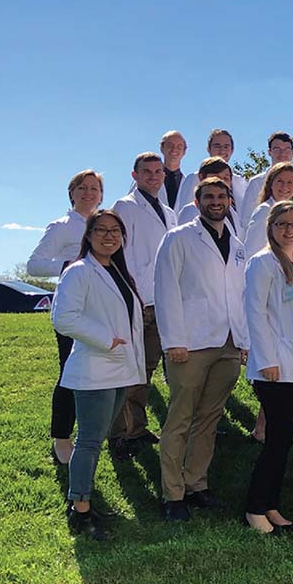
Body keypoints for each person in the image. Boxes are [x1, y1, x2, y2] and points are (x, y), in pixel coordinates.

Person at [154, 177, 249, 522]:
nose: (216, 201)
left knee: (209, 420)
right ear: (197, 202)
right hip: (190, 343)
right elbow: (165, 290)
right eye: (208, 196)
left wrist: (243, 341)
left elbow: (239, 295)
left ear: (228, 201)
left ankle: (197, 484)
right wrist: (173, 341)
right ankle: (172, 494)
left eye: (221, 196)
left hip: (227, 343)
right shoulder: (178, 238)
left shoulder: (237, 244)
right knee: (180, 419)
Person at [51, 210, 145, 539]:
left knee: (96, 439)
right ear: (88, 236)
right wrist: (107, 340)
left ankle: (84, 500)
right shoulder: (79, 272)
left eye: (115, 231)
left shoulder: (117, 270)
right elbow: (64, 318)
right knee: (89, 442)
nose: (109, 236)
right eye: (101, 230)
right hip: (94, 368)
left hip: (117, 369)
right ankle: (80, 510)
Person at [243, 201, 293, 534]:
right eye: (282, 224)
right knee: (276, 440)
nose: (289, 230)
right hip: (275, 368)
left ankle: (271, 504)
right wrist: (268, 360)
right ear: (270, 228)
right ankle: (255, 507)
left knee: (284, 440)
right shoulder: (262, 263)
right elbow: (255, 314)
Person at [28, 169, 104, 465]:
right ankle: (62, 437)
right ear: (72, 193)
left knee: (96, 372)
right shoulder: (61, 226)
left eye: (94, 188)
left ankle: (92, 432)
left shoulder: (104, 222)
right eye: (82, 188)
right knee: (70, 372)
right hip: (73, 307)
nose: (89, 193)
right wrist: (71, 263)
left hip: (100, 307)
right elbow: (34, 265)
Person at [110, 152, 178, 459]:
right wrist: (131, 294)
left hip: (160, 301)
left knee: (145, 369)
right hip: (136, 299)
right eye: (147, 171)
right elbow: (120, 252)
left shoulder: (169, 211)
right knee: (127, 369)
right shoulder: (126, 206)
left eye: (158, 172)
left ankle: (136, 428)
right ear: (135, 175)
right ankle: (117, 435)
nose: (153, 176)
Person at [242, 162, 293, 260]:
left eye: (290, 182)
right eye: (280, 181)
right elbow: (252, 250)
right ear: (270, 184)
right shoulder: (264, 211)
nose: (284, 187)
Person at [176, 129, 249, 211]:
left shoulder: (241, 182)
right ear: (208, 149)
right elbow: (186, 212)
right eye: (217, 146)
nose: (222, 150)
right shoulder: (193, 179)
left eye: (226, 146)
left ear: (232, 150)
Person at [174, 157, 243, 239]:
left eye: (226, 178)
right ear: (201, 177)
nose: (221, 183)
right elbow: (183, 242)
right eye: (216, 178)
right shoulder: (190, 211)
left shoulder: (232, 212)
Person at [241, 132, 293, 230]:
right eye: (277, 149)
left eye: (287, 149)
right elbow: (246, 219)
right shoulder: (256, 183)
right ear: (269, 152)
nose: (282, 154)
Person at [160, 131, 187, 209]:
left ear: (184, 151)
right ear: (162, 148)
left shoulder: (188, 184)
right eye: (170, 145)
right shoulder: (145, 180)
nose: (174, 149)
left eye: (179, 146)